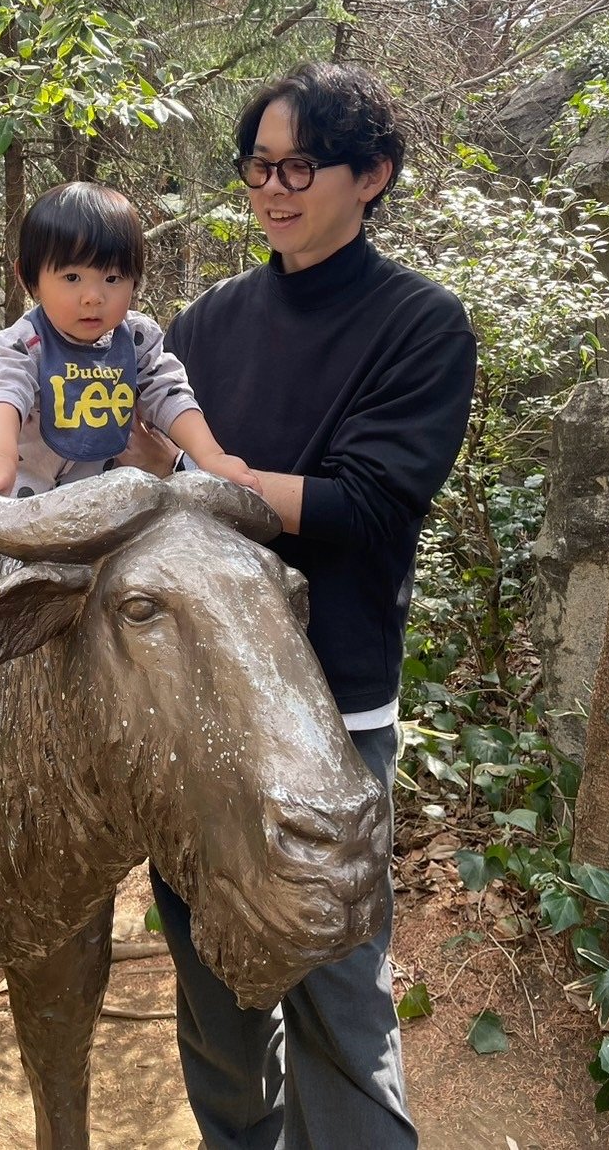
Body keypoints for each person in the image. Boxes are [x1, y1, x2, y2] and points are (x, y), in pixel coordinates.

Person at [134, 61, 477, 1148]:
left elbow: (364, 507)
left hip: (331, 705)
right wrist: (44, 424)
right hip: (195, 709)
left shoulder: (420, 324)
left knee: (337, 994)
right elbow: (150, 476)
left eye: (299, 167)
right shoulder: (207, 320)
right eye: (258, 167)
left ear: (372, 174)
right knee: (215, 989)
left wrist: (218, 482)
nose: (273, 189)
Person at [0, 179, 258, 793]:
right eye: (72, 277)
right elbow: (4, 391)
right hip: (6, 488)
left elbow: (169, 396)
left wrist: (210, 458)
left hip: (94, 498)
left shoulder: (137, 340)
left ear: (134, 281)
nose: (93, 296)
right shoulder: (25, 340)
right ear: (31, 278)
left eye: (112, 277)